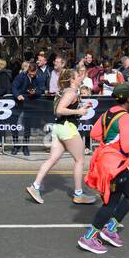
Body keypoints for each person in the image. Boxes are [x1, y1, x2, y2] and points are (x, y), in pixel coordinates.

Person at [76, 83, 129, 254]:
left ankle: (110, 229)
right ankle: (89, 238)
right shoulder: (126, 117)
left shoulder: (108, 113)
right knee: (111, 203)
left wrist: (110, 139)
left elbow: (95, 134)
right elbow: (127, 146)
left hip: (108, 160)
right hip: (114, 164)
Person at [25, 70, 97, 206]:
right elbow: (60, 110)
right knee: (80, 161)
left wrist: (80, 110)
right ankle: (78, 194)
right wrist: (78, 111)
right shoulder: (71, 92)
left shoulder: (65, 91)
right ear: (71, 80)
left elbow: (61, 110)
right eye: (77, 76)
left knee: (52, 159)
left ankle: (35, 186)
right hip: (67, 128)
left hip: (59, 127)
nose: (80, 78)